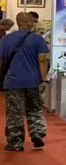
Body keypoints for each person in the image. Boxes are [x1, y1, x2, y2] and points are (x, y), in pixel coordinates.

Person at [0, 12, 50, 152]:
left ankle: (15, 143)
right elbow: (42, 60)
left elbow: (1, 61)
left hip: (13, 81)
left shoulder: (6, 39)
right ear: (29, 23)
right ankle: (37, 133)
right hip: (33, 81)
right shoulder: (38, 39)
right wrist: (44, 78)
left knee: (15, 112)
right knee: (34, 109)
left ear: (17, 23)